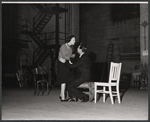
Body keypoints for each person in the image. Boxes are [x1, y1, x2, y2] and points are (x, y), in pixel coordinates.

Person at [56, 35, 76, 101]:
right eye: (73, 40)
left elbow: (69, 56)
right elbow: (64, 56)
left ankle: (61, 94)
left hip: (66, 64)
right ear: (69, 40)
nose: (74, 41)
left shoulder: (70, 48)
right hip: (62, 64)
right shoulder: (63, 46)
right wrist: (69, 59)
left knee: (65, 80)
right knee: (63, 79)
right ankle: (63, 97)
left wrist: (73, 56)